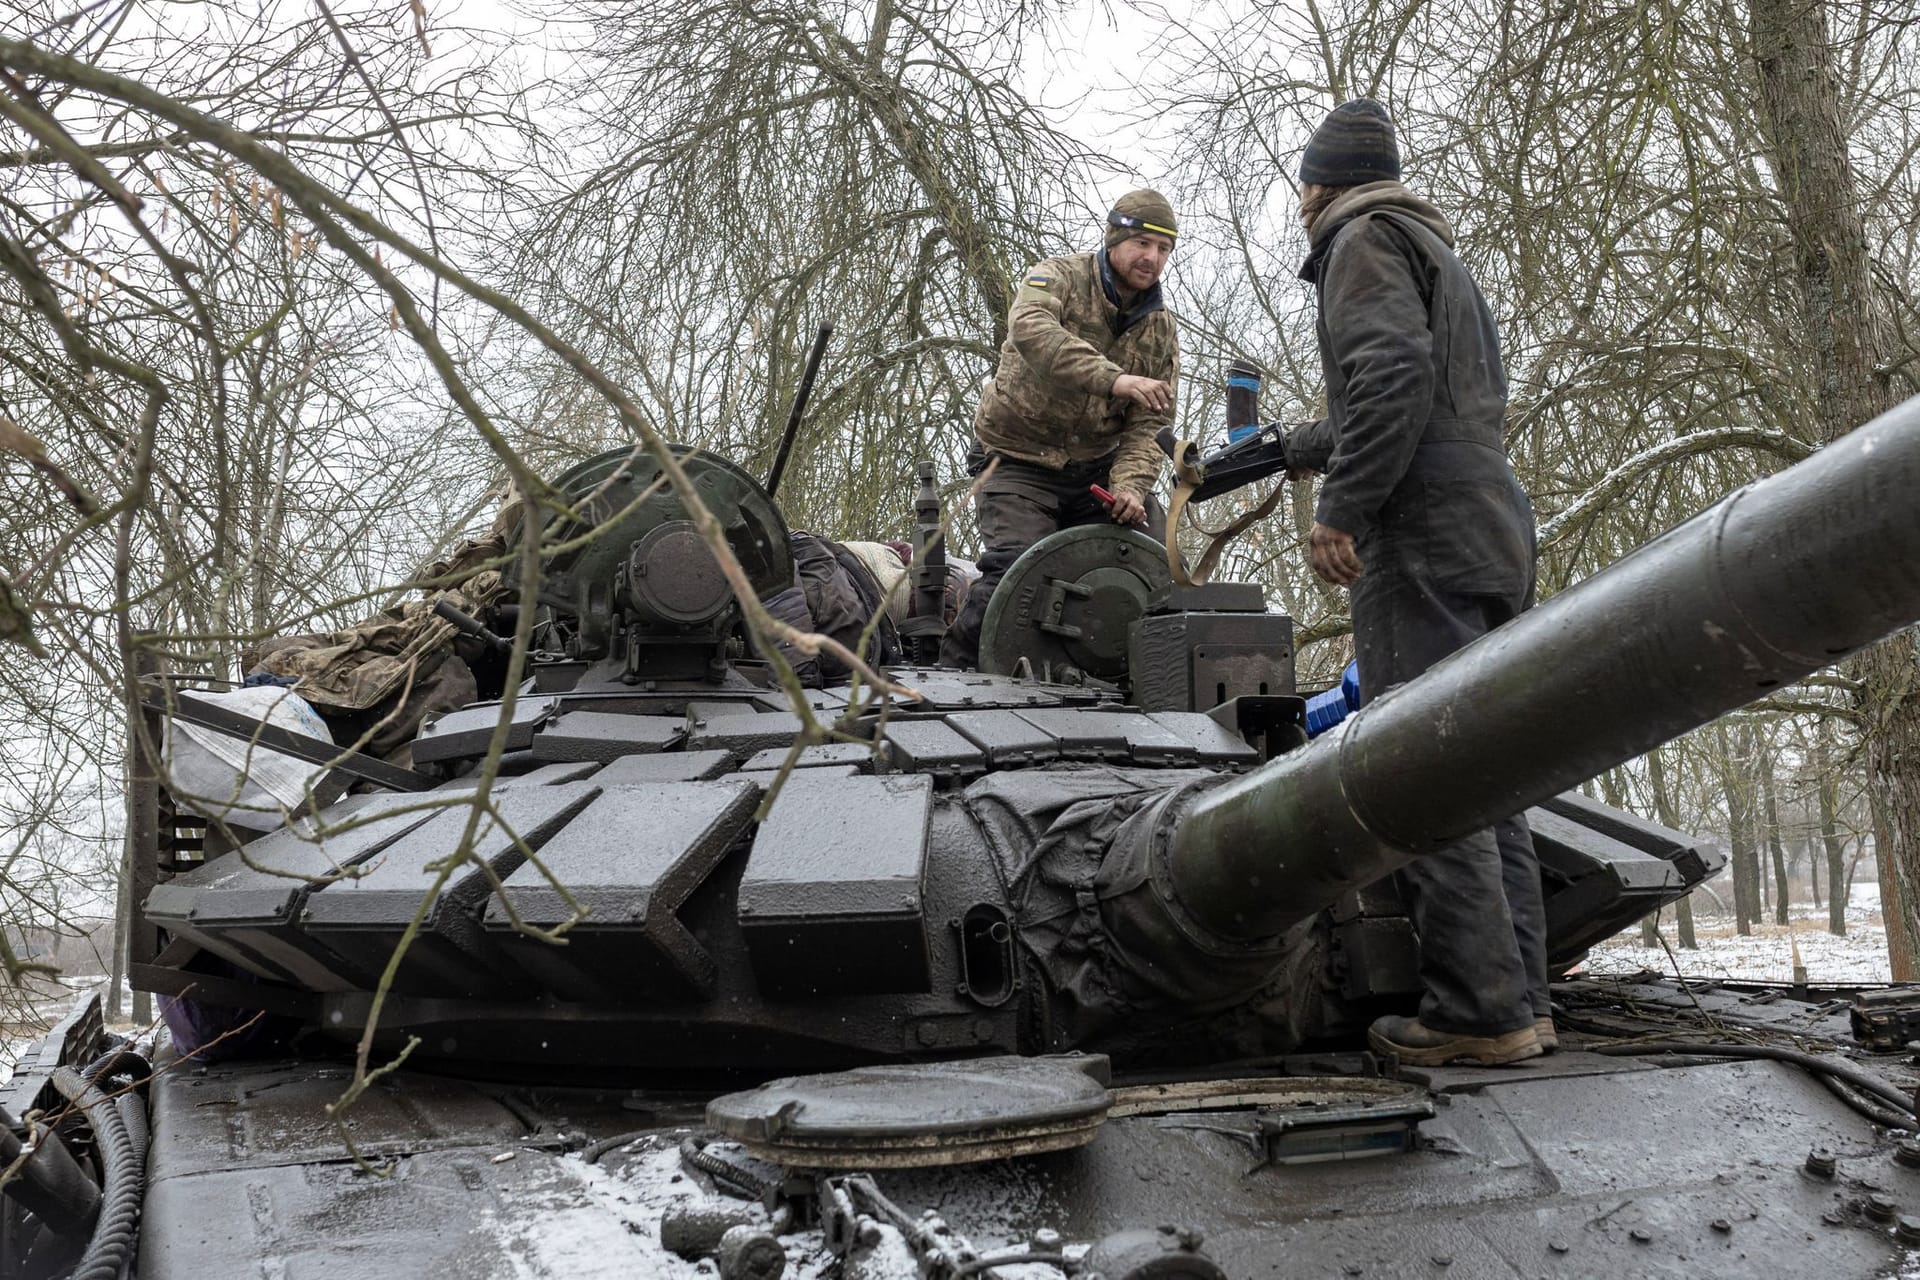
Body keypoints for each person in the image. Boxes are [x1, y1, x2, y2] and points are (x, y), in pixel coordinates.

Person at [1283, 100, 1551, 1067]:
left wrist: (1342, 507)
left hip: (1422, 529)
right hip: (1490, 517)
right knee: (1485, 764)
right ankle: (1523, 1000)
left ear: (1323, 183)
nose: (1300, 202)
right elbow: (1416, 393)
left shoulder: (1356, 240)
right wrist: (1292, 448)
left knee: (1421, 762)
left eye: (1300, 184)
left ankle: (1475, 1012)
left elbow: (1391, 377)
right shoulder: (1434, 249)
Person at [939, 190, 1181, 669]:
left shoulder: (1159, 328)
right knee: (1016, 574)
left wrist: (1130, 487)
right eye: (1142, 243)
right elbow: (1031, 330)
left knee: (1157, 569)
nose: (1152, 258)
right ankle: (948, 679)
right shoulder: (1059, 277)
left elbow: (1150, 422)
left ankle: (1142, 692)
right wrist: (1115, 378)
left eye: (1164, 249)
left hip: (1096, 471)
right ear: (1114, 239)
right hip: (1016, 461)